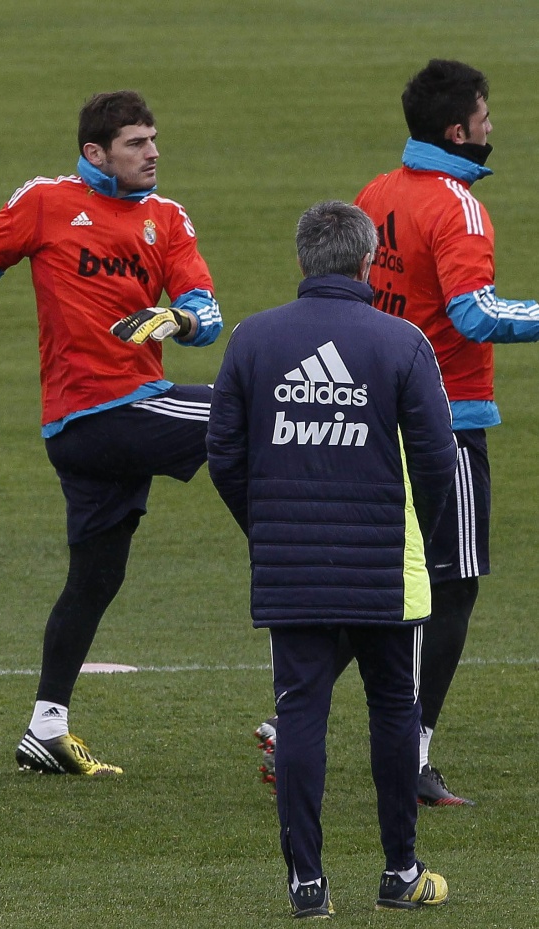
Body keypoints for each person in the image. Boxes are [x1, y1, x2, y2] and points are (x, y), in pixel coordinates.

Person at [0, 90, 222, 776]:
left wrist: (178, 320)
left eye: (153, 139)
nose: (153, 153)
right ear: (95, 153)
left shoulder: (167, 218)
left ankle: (45, 729)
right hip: (102, 413)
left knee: (96, 578)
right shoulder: (46, 200)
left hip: (104, 427)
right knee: (245, 411)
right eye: (137, 143)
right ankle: (304, 565)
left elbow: (206, 309)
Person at [255, 58, 539, 807]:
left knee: (387, 579)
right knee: (452, 585)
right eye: (484, 116)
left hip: (378, 411)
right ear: (458, 131)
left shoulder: (378, 192)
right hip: (446, 418)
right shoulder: (459, 207)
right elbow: (475, 313)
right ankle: (413, 753)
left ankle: (290, 723)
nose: (492, 125)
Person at [208, 200, 457, 916]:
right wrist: (416, 529)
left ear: (302, 260)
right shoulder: (403, 341)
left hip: (291, 566)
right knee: (395, 711)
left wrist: (267, 528)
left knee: (300, 715)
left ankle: (307, 885)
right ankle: (400, 872)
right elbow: (437, 460)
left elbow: (223, 454)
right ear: (368, 261)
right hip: (386, 568)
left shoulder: (254, 339)